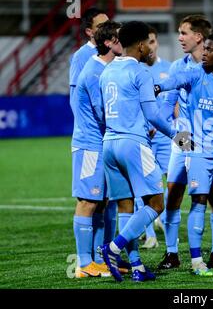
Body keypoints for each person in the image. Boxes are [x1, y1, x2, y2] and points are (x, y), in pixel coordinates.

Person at [156, 32, 213, 276]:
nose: (203, 53)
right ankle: (195, 260)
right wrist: (157, 86)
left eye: (209, 49)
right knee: (197, 200)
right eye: (203, 48)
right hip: (193, 150)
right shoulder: (195, 72)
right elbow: (174, 81)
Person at [98, 21, 177, 283]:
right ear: (141, 45)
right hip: (133, 144)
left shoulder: (107, 71)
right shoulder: (141, 72)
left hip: (109, 144)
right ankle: (113, 248)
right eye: (148, 43)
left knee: (126, 206)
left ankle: (136, 267)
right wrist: (179, 137)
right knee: (156, 203)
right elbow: (153, 115)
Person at [71, 20, 122, 278]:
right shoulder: (93, 72)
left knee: (102, 203)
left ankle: (97, 260)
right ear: (109, 42)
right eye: (120, 38)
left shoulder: (105, 68)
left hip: (101, 143)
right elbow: (103, 112)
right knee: (87, 201)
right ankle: (83, 263)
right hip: (89, 146)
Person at [134, 26, 173, 250]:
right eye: (146, 41)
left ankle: (162, 218)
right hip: (143, 136)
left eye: (153, 41)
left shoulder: (169, 69)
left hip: (165, 135)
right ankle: (149, 233)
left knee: (171, 180)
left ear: (157, 43)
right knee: (143, 183)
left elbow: (172, 104)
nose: (150, 45)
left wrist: (168, 129)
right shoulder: (136, 70)